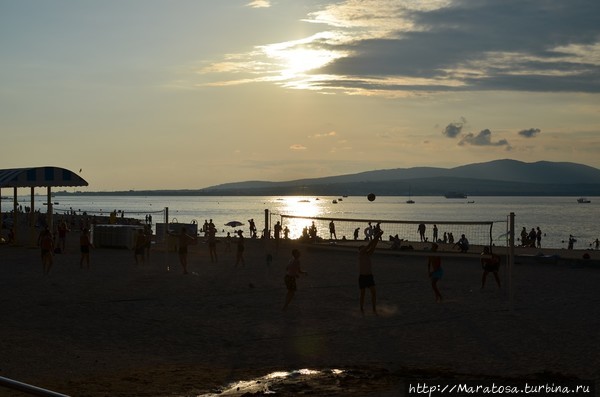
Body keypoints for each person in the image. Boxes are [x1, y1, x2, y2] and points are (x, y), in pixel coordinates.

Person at [358, 228, 383, 315]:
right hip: (363, 276)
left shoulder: (368, 254)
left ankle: (373, 308)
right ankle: (361, 308)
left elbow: (373, 246)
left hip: (369, 276)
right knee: (363, 294)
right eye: (363, 247)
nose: (364, 248)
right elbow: (369, 245)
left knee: (373, 292)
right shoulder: (361, 253)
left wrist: (378, 237)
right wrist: (377, 236)